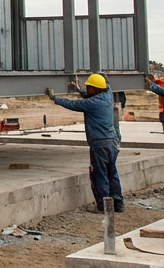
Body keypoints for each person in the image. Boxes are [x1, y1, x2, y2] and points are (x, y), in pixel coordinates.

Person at [45, 74, 122, 213]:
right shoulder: (107, 94)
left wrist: (54, 98)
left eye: (88, 87)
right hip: (111, 141)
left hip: (99, 143)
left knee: (99, 175)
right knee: (112, 172)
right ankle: (118, 203)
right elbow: (93, 92)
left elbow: (74, 104)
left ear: (95, 89)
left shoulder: (93, 103)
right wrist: (79, 88)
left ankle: (103, 206)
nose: (86, 89)